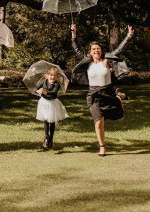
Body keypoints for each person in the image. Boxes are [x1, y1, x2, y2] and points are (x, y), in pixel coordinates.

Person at [71, 24, 134, 156]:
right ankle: (102, 147)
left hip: (108, 92)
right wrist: (74, 34)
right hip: (93, 95)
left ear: (101, 50)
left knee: (120, 117)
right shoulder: (87, 62)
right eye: (94, 49)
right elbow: (76, 49)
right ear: (90, 52)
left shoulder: (106, 60)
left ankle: (118, 97)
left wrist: (128, 37)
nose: (96, 51)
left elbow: (118, 51)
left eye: (98, 49)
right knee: (99, 122)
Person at [35, 66, 69, 149]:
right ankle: (46, 136)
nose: (52, 77)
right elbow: (36, 88)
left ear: (56, 76)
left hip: (53, 103)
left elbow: (53, 92)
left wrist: (45, 92)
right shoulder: (44, 82)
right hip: (44, 103)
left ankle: (51, 138)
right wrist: (38, 91)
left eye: (54, 75)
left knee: (52, 121)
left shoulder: (57, 84)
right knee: (46, 120)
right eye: (51, 75)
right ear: (47, 75)